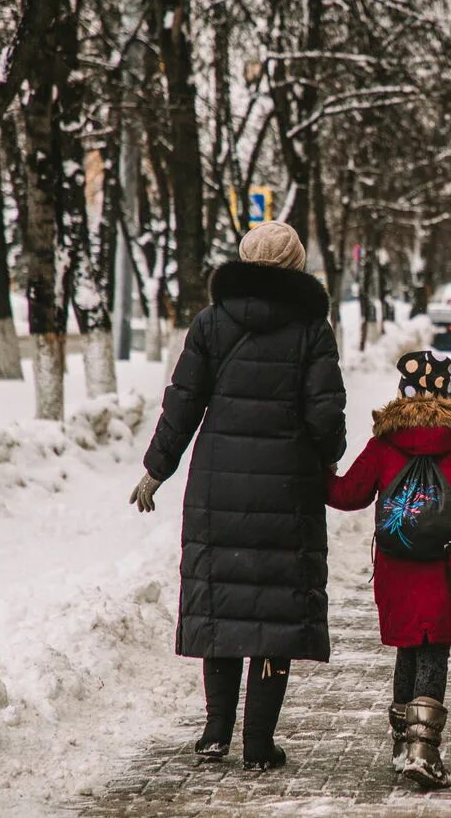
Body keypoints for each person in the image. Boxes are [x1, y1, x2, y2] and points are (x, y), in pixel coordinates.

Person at [130, 221, 347, 771]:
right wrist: (328, 457)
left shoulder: (210, 322)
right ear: (296, 266)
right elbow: (325, 410)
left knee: (222, 604)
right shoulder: (310, 328)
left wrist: (157, 469)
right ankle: (258, 743)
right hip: (287, 486)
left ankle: (215, 732)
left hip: (217, 484)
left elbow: (182, 402)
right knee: (274, 610)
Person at [325, 351, 451, 790]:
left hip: (399, 568)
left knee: (408, 649)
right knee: (435, 651)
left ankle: (401, 745)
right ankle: (424, 749)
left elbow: (348, 494)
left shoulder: (384, 443)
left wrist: (316, 472)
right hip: (446, 567)